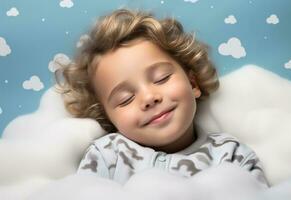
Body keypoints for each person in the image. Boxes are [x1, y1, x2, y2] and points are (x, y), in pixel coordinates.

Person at [55, 8, 269, 186]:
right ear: (109, 118)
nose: (149, 97)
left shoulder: (230, 155)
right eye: (125, 99)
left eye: (161, 78)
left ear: (193, 83)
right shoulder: (108, 155)